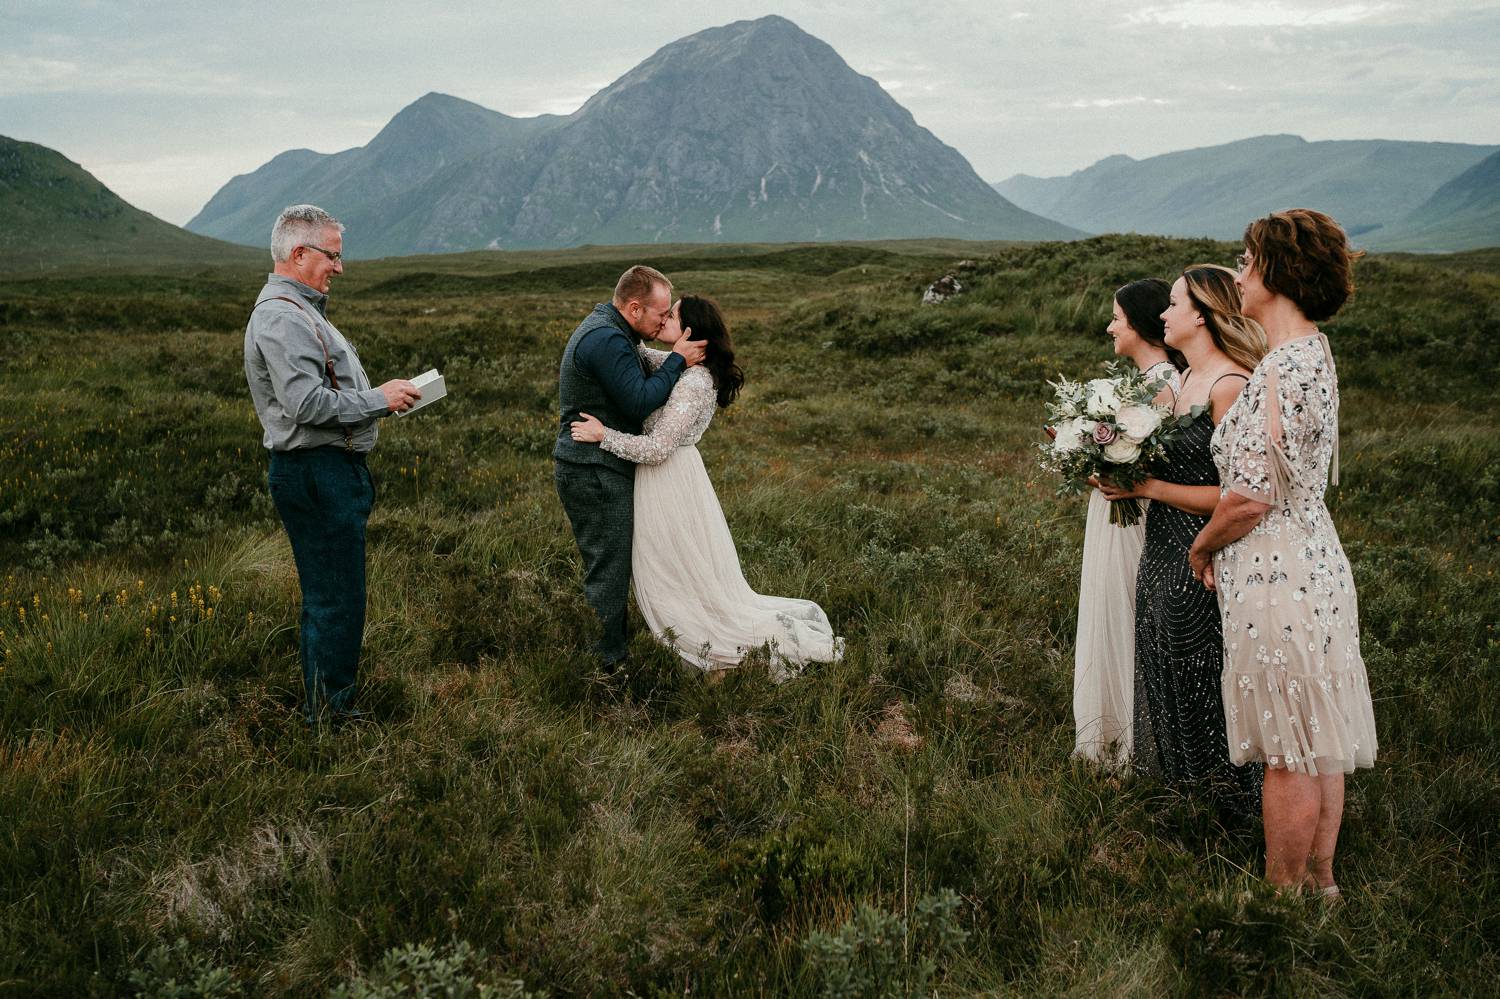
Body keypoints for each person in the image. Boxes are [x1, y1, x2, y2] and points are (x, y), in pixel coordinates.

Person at [1190, 209, 1378, 895]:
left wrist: (1202, 548)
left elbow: (1249, 496)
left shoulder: (1275, 373)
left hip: (1278, 572)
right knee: (1317, 733)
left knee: (1287, 749)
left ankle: (1278, 901)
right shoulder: (1313, 354)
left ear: (1275, 270)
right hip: (1316, 559)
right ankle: (1321, 886)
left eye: (1245, 260)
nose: (1237, 272)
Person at [570, 296, 841, 677]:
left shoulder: (695, 382)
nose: (664, 317)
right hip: (668, 479)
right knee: (675, 567)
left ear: (692, 332)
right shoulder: (683, 365)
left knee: (674, 567)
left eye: (672, 314)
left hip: (669, 480)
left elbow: (658, 447)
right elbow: (646, 357)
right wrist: (623, 319)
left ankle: (708, 644)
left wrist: (604, 435)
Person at [244, 204, 420, 726]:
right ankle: (330, 716)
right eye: (333, 256)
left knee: (331, 594)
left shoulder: (301, 310)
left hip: (327, 471)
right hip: (317, 473)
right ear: (298, 253)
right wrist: (379, 400)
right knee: (336, 599)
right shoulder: (281, 317)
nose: (339, 267)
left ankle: (327, 704)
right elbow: (306, 405)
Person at [1097, 265, 1265, 815]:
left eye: (1172, 304)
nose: (1163, 315)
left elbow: (1237, 494)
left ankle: (1226, 807)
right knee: (1160, 664)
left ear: (1201, 313)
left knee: (1201, 673)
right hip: (1161, 546)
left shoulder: (1231, 385)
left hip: (1204, 550)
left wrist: (1148, 486)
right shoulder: (1185, 381)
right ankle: (1181, 796)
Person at [553, 266, 706, 670]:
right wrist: (676, 361)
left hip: (598, 465)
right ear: (634, 308)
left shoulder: (615, 332)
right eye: (660, 314)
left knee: (612, 564)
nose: (662, 322)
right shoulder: (606, 339)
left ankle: (610, 652)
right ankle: (608, 666)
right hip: (593, 469)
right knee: (609, 568)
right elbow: (639, 402)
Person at [1071, 278, 1180, 768]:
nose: (1110, 325)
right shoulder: (1143, 383)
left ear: (1138, 323)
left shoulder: (1162, 387)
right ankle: (1110, 735)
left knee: (1123, 617)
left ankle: (1125, 744)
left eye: (1117, 316)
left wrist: (1110, 462)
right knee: (1111, 612)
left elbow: (1160, 464)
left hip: (1135, 520)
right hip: (1118, 512)